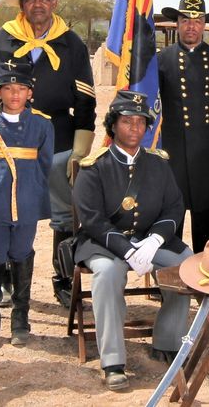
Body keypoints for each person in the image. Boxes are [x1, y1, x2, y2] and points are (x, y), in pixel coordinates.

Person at [0, 0, 96, 308]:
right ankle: (5, 283)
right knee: (9, 209)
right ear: (22, 5)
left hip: (59, 140)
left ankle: (63, 280)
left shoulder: (71, 43)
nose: (38, 4)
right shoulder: (5, 37)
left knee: (64, 216)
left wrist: (81, 144)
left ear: (54, 2)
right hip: (10, 141)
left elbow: (86, 97)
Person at [71, 90, 192, 392]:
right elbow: (93, 221)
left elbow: (174, 207)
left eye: (141, 122)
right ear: (113, 125)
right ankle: (112, 362)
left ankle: (166, 341)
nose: (135, 128)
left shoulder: (158, 163)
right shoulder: (93, 166)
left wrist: (154, 241)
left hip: (148, 238)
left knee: (185, 265)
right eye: (127, 122)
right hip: (104, 243)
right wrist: (127, 250)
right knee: (109, 273)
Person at [0, 58, 54, 348]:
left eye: (21, 88)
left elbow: (45, 165)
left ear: (30, 93)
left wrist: (31, 193)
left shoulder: (43, 125)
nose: (15, 94)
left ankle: (20, 317)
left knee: (21, 252)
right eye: (8, 88)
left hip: (27, 200)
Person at [156, 0, 209, 252]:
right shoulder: (160, 61)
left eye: (197, 20)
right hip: (172, 150)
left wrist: (206, 129)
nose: (191, 26)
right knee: (171, 216)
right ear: (177, 23)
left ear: (204, 24)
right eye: (185, 20)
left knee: (207, 218)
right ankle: (170, 281)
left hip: (208, 150)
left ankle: (206, 278)